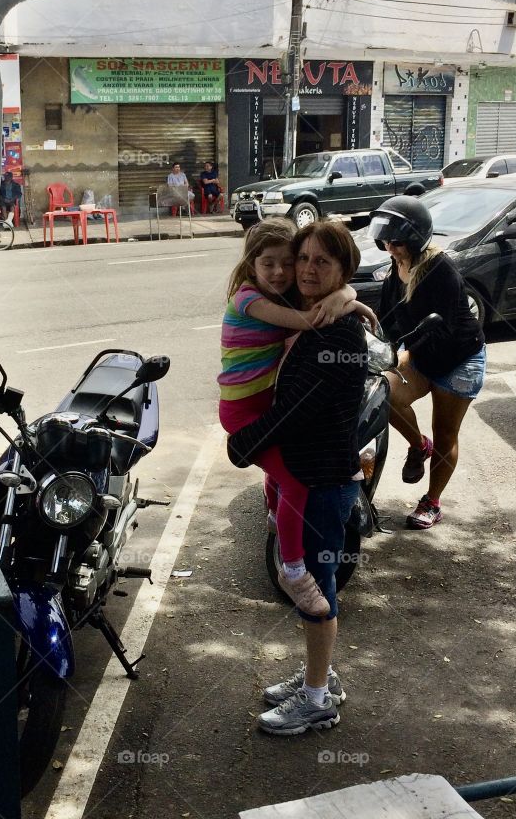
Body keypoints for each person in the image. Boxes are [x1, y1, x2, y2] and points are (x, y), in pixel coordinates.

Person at [227, 221, 368, 736]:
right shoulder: (322, 319)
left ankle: (315, 701)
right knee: (314, 583)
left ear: (342, 271)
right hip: (315, 474)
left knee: (316, 586)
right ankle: (319, 677)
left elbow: (294, 413)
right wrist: (347, 296)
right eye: (302, 258)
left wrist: (242, 445)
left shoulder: (335, 335)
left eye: (321, 263)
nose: (305, 269)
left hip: (320, 479)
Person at [368, 196, 486, 529]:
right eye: (386, 240)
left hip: (459, 359)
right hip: (421, 353)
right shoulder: (397, 264)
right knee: (382, 394)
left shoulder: (439, 269)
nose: (390, 246)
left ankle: (432, 501)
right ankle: (419, 446)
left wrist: (404, 353)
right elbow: (390, 318)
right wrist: (372, 338)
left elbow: (442, 329)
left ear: (416, 237)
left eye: (397, 240)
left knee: (446, 434)